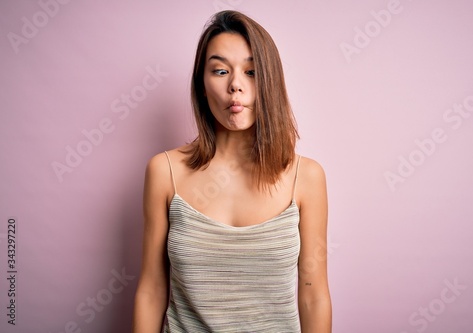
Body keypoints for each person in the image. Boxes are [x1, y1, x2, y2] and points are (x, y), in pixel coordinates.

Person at [133, 10, 332, 333]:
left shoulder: (306, 177)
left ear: (270, 82)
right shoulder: (164, 171)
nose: (235, 85)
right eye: (221, 70)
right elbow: (152, 289)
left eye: (251, 72)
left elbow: (314, 296)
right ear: (202, 82)